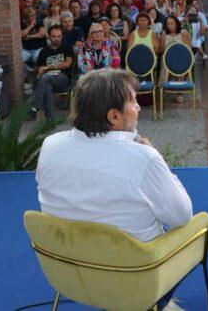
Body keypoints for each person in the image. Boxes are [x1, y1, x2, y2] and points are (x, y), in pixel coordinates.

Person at [36, 69, 192, 308]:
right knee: (200, 229)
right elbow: (181, 215)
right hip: (137, 279)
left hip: (70, 274)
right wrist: (156, 155)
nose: (139, 108)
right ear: (114, 117)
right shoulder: (143, 158)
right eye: (133, 102)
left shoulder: (49, 146)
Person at [30, 25, 75, 120]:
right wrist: (39, 71)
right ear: (50, 37)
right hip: (47, 80)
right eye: (54, 36)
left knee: (46, 78)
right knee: (47, 86)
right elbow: (38, 67)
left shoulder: (67, 48)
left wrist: (48, 67)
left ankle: (33, 107)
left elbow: (67, 64)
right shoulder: (44, 51)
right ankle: (50, 120)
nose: (56, 39)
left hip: (63, 79)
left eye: (59, 36)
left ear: (62, 37)